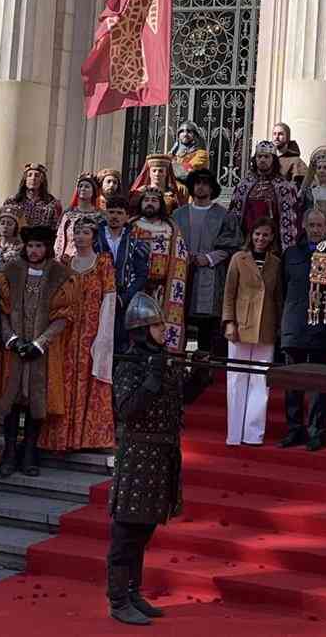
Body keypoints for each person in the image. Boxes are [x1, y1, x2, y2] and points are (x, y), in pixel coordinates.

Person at [106, 293, 211, 626]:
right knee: (126, 532)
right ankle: (119, 600)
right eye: (157, 324)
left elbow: (179, 400)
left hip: (162, 454)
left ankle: (134, 592)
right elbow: (125, 410)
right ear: (140, 329)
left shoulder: (163, 359)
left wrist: (199, 376)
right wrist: (150, 378)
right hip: (137, 454)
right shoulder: (129, 363)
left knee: (144, 529)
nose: (163, 328)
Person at [0, 225, 73, 477]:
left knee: (35, 401)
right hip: (13, 347)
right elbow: (0, 311)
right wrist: (12, 339)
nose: (34, 250)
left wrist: (41, 343)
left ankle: (29, 453)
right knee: (12, 398)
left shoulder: (61, 275)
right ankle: (8, 452)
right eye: (30, 246)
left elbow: (64, 315)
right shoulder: (10, 272)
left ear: (47, 248)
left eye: (39, 246)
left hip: (42, 351)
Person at [41, 216, 117, 453]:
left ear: (94, 236)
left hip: (92, 331)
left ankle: (88, 438)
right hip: (66, 332)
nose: (79, 236)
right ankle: (60, 437)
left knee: (89, 378)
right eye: (76, 232)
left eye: (85, 232)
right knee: (63, 379)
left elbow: (109, 299)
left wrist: (103, 335)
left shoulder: (103, 262)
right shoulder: (64, 262)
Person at [278, 209, 326, 451]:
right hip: (294, 326)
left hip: (321, 328)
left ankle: (316, 431)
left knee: (318, 384)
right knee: (293, 383)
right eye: (311, 225)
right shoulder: (291, 253)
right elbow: (282, 289)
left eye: (319, 225)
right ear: (304, 225)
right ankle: (294, 429)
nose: (315, 229)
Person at [222, 217, 283, 447]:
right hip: (240, 324)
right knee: (237, 378)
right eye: (257, 234)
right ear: (251, 235)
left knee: (260, 380)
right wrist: (229, 322)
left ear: (271, 238)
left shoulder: (276, 263)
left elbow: (278, 298)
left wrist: (278, 327)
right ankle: (234, 434)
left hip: (265, 327)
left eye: (266, 235)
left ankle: (253, 433)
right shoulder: (239, 258)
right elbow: (229, 293)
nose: (261, 239)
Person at [173, 169, 236, 355]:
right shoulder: (178, 214)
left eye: (205, 183)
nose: (200, 187)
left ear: (212, 187)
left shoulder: (224, 215)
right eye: (197, 183)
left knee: (206, 328)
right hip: (181, 274)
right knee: (179, 322)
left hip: (211, 275)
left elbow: (232, 245)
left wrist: (208, 258)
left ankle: (203, 372)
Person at [129, 186, 189, 351]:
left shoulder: (171, 228)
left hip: (161, 290)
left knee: (158, 326)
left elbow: (180, 260)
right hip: (136, 289)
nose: (150, 203)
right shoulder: (131, 226)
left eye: (154, 200)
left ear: (160, 204)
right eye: (146, 200)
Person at [96, 195, 149, 354]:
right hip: (98, 297)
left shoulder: (136, 238)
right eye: (111, 212)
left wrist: (125, 297)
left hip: (124, 298)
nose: (115, 216)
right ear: (105, 213)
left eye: (119, 213)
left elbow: (142, 274)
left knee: (121, 342)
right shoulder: (94, 236)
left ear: (127, 216)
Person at [227, 140, 301, 251]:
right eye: (259, 156)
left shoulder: (285, 187)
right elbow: (234, 217)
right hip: (247, 243)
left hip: (273, 244)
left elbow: (291, 221)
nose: (262, 160)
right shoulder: (243, 185)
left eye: (266, 157)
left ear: (274, 160)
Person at [299, 146, 326, 240]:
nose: (321, 171)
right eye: (319, 168)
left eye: (325, 168)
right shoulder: (309, 192)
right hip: (313, 234)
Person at [2, 162, 63, 231]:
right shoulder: (12, 202)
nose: (33, 178)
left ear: (42, 180)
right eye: (29, 175)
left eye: (37, 176)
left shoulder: (53, 204)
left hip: (42, 240)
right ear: (25, 179)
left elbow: (56, 230)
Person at [55, 172, 103, 260]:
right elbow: (60, 238)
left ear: (94, 191)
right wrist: (58, 258)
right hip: (68, 258)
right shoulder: (68, 214)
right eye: (80, 186)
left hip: (92, 259)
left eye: (87, 187)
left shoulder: (100, 215)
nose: (83, 189)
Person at [272, 122, 307, 186]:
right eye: (274, 134)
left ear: (287, 137)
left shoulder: (296, 161)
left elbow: (301, 187)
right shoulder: (267, 158)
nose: (276, 137)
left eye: (280, 134)